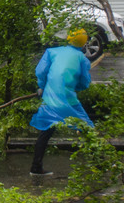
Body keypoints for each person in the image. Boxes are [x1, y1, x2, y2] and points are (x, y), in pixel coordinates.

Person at [29, 28, 93, 176]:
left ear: (68, 39)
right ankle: (99, 163)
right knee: (87, 127)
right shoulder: (81, 59)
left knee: (46, 131)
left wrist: (42, 87)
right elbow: (84, 82)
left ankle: (36, 167)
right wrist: (73, 87)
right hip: (69, 101)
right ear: (84, 43)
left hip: (50, 99)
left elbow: (41, 72)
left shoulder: (52, 52)